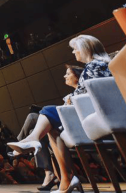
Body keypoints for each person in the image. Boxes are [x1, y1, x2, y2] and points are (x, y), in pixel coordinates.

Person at [8, 35, 112, 193]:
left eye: (75, 48)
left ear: (85, 49)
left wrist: (70, 99)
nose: (73, 52)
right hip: (95, 116)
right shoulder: (101, 64)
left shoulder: (93, 66)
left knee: (47, 112)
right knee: (50, 127)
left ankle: (32, 142)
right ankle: (64, 179)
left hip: (94, 118)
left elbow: (88, 96)